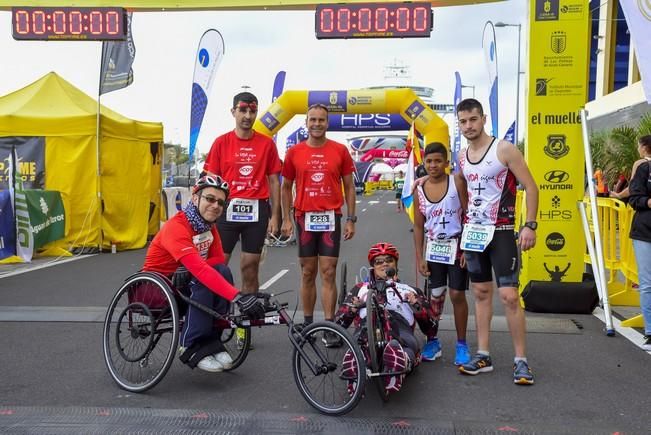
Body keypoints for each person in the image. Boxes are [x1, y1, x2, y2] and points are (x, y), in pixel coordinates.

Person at [142, 176, 265, 372]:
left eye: (221, 202)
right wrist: (237, 297)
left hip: (182, 284)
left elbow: (216, 262)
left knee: (222, 271)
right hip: (155, 289)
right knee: (202, 278)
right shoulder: (177, 227)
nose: (215, 206)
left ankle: (212, 340)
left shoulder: (209, 228)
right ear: (195, 198)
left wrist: (192, 268)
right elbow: (200, 270)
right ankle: (190, 344)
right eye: (210, 199)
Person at [454, 98, 539, 385]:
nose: (468, 126)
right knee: (480, 293)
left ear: (483, 119)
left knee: (510, 297)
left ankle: (521, 360)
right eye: (463, 121)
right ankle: (483, 354)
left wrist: (529, 225)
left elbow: (530, 186)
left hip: (502, 231)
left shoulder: (504, 149)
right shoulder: (461, 155)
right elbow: (462, 186)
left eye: (473, 120)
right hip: (474, 234)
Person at [203, 92, 282, 348]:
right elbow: (209, 181)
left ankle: (244, 327)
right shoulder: (221, 143)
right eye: (243, 110)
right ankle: (212, 322)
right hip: (225, 210)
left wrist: (277, 215)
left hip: (256, 211)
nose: (248, 116)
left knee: (250, 267)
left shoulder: (266, 144)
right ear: (233, 112)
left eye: (252, 111)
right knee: (217, 268)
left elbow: (273, 181)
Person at [281, 103, 356, 345]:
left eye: (321, 120)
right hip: (304, 217)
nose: (316, 124)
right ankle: (308, 322)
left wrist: (351, 219)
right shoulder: (294, 152)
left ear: (327, 123)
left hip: (330, 217)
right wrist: (285, 219)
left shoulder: (340, 150)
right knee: (307, 272)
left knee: (328, 272)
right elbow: (285, 187)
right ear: (306, 123)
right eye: (312, 120)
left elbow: (350, 187)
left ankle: (330, 325)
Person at [336, 242, 436, 393]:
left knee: (406, 344)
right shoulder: (360, 289)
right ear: (372, 267)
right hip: (368, 326)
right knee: (361, 341)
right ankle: (357, 360)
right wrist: (352, 309)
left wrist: (417, 306)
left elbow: (431, 329)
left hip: (400, 327)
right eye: (379, 262)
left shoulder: (410, 290)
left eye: (389, 260)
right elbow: (338, 324)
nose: (384, 264)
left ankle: (400, 360)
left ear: (395, 264)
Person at [413, 142, 471, 365]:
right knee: (435, 296)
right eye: (429, 161)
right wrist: (420, 257)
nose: (433, 165)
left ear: (447, 163)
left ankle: (462, 344)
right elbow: (419, 226)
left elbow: (468, 215)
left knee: (457, 294)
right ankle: (433, 340)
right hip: (434, 248)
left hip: (456, 246)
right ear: (424, 163)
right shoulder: (419, 189)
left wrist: (466, 248)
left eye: (438, 161)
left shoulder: (456, 182)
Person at [627, 135, 651, 351]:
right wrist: (648, 201)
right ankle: (650, 331)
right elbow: (634, 198)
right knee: (647, 283)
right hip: (645, 232)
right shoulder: (644, 168)